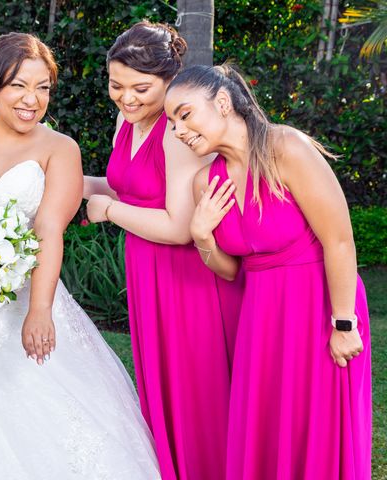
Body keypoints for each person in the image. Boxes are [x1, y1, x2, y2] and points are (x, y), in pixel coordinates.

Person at [0, 32, 160, 479]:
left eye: (43, 88)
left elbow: (48, 231)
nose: (32, 99)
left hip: (25, 294)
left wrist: (39, 311)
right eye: (19, 85)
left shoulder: (60, 149)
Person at [166, 64, 372, 479]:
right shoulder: (206, 183)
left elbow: (339, 240)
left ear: (222, 103)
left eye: (184, 115)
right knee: (266, 429)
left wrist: (344, 322)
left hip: (319, 310)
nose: (177, 130)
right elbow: (231, 272)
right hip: (261, 321)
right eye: (171, 122)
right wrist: (202, 236)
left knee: (316, 429)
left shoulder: (286, 148)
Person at [83, 22, 240, 480]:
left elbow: (178, 227)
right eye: (116, 85)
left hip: (188, 279)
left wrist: (108, 212)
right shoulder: (126, 120)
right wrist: (67, 184)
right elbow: (126, 185)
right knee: (163, 387)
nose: (127, 98)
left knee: (197, 393)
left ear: (170, 82)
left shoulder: (177, 133)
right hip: (147, 271)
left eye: (141, 88)